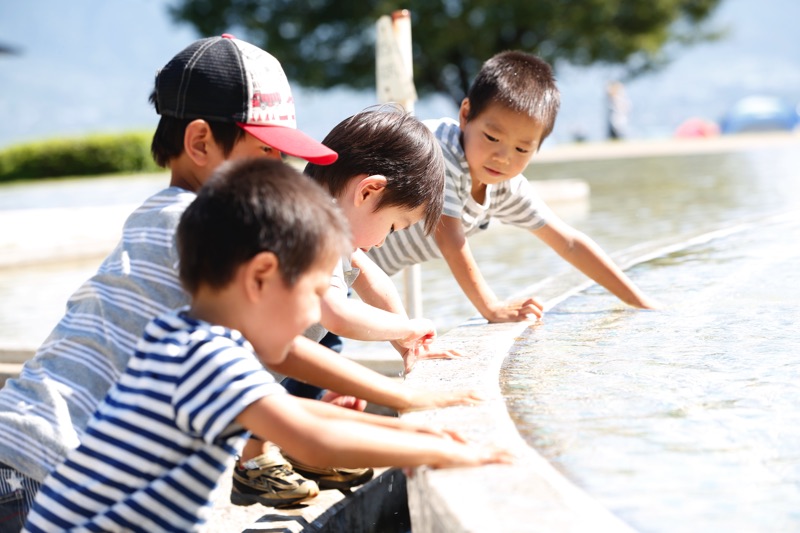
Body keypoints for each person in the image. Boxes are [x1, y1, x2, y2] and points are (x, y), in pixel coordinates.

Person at [0, 34, 480, 531]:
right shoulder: (204, 231)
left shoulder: (168, 218)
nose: (281, 173)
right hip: (48, 458)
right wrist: (403, 397)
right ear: (201, 143)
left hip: (34, 448)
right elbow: (287, 356)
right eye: (268, 153)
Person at [21, 158, 512, 532]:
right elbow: (308, 436)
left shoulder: (180, 338)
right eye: (316, 292)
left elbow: (304, 415)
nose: (318, 313)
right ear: (261, 278)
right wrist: (443, 453)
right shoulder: (206, 357)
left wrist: (419, 426)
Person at [234, 106, 464, 500]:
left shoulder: (320, 219)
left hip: (257, 370)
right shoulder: (305, 230)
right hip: (228, 377)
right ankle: (253, 462)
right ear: (368, 190)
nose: (383, 241)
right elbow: (337, 314)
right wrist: (410, 328)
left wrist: (407, 342)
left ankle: (278, 452)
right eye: (393, 226)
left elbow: (374, 280)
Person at [368, 51, 659, 323]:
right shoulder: (436, 151)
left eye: (522, 149)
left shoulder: (505, 186)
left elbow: (569, 243)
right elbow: (449, 237)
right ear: (466, 115)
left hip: (359, 271)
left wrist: (641, 303)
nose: (503, 158)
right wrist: (491, 307)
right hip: (334, 247)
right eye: (492, 138)